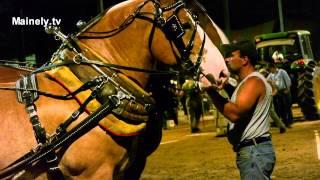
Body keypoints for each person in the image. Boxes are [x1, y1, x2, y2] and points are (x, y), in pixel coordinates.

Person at [205, 40, 276, 179]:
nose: (227, 59)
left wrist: (210, 90)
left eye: (231, 56)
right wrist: (223, 85)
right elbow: (239, 99)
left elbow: (235, 113)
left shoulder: (253, 82)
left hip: (254, 152)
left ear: (244, 60)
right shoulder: (247, 82)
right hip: (253, 151)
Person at [259, 68, 286, 133]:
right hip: (264, 98)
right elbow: (275, 89)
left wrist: (271, 95)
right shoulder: (264, 81)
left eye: (263, 73)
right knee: (271, 113)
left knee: (269, 113)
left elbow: (275, 89)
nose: (262, 74)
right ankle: (281, 126)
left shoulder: (267, 81)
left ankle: (281, 126)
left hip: (266, 98)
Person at [267, 63, 293, 128]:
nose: (270, 71)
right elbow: (267, 80)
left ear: (273, 67)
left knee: (287, 107)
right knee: (281, 108)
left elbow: (288, 80)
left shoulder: (282, 72)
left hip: (285, 91)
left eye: (270, 69)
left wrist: (287, 89)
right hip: (278, 92)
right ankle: (285, 122)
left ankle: (289, 121)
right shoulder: (271, 75)